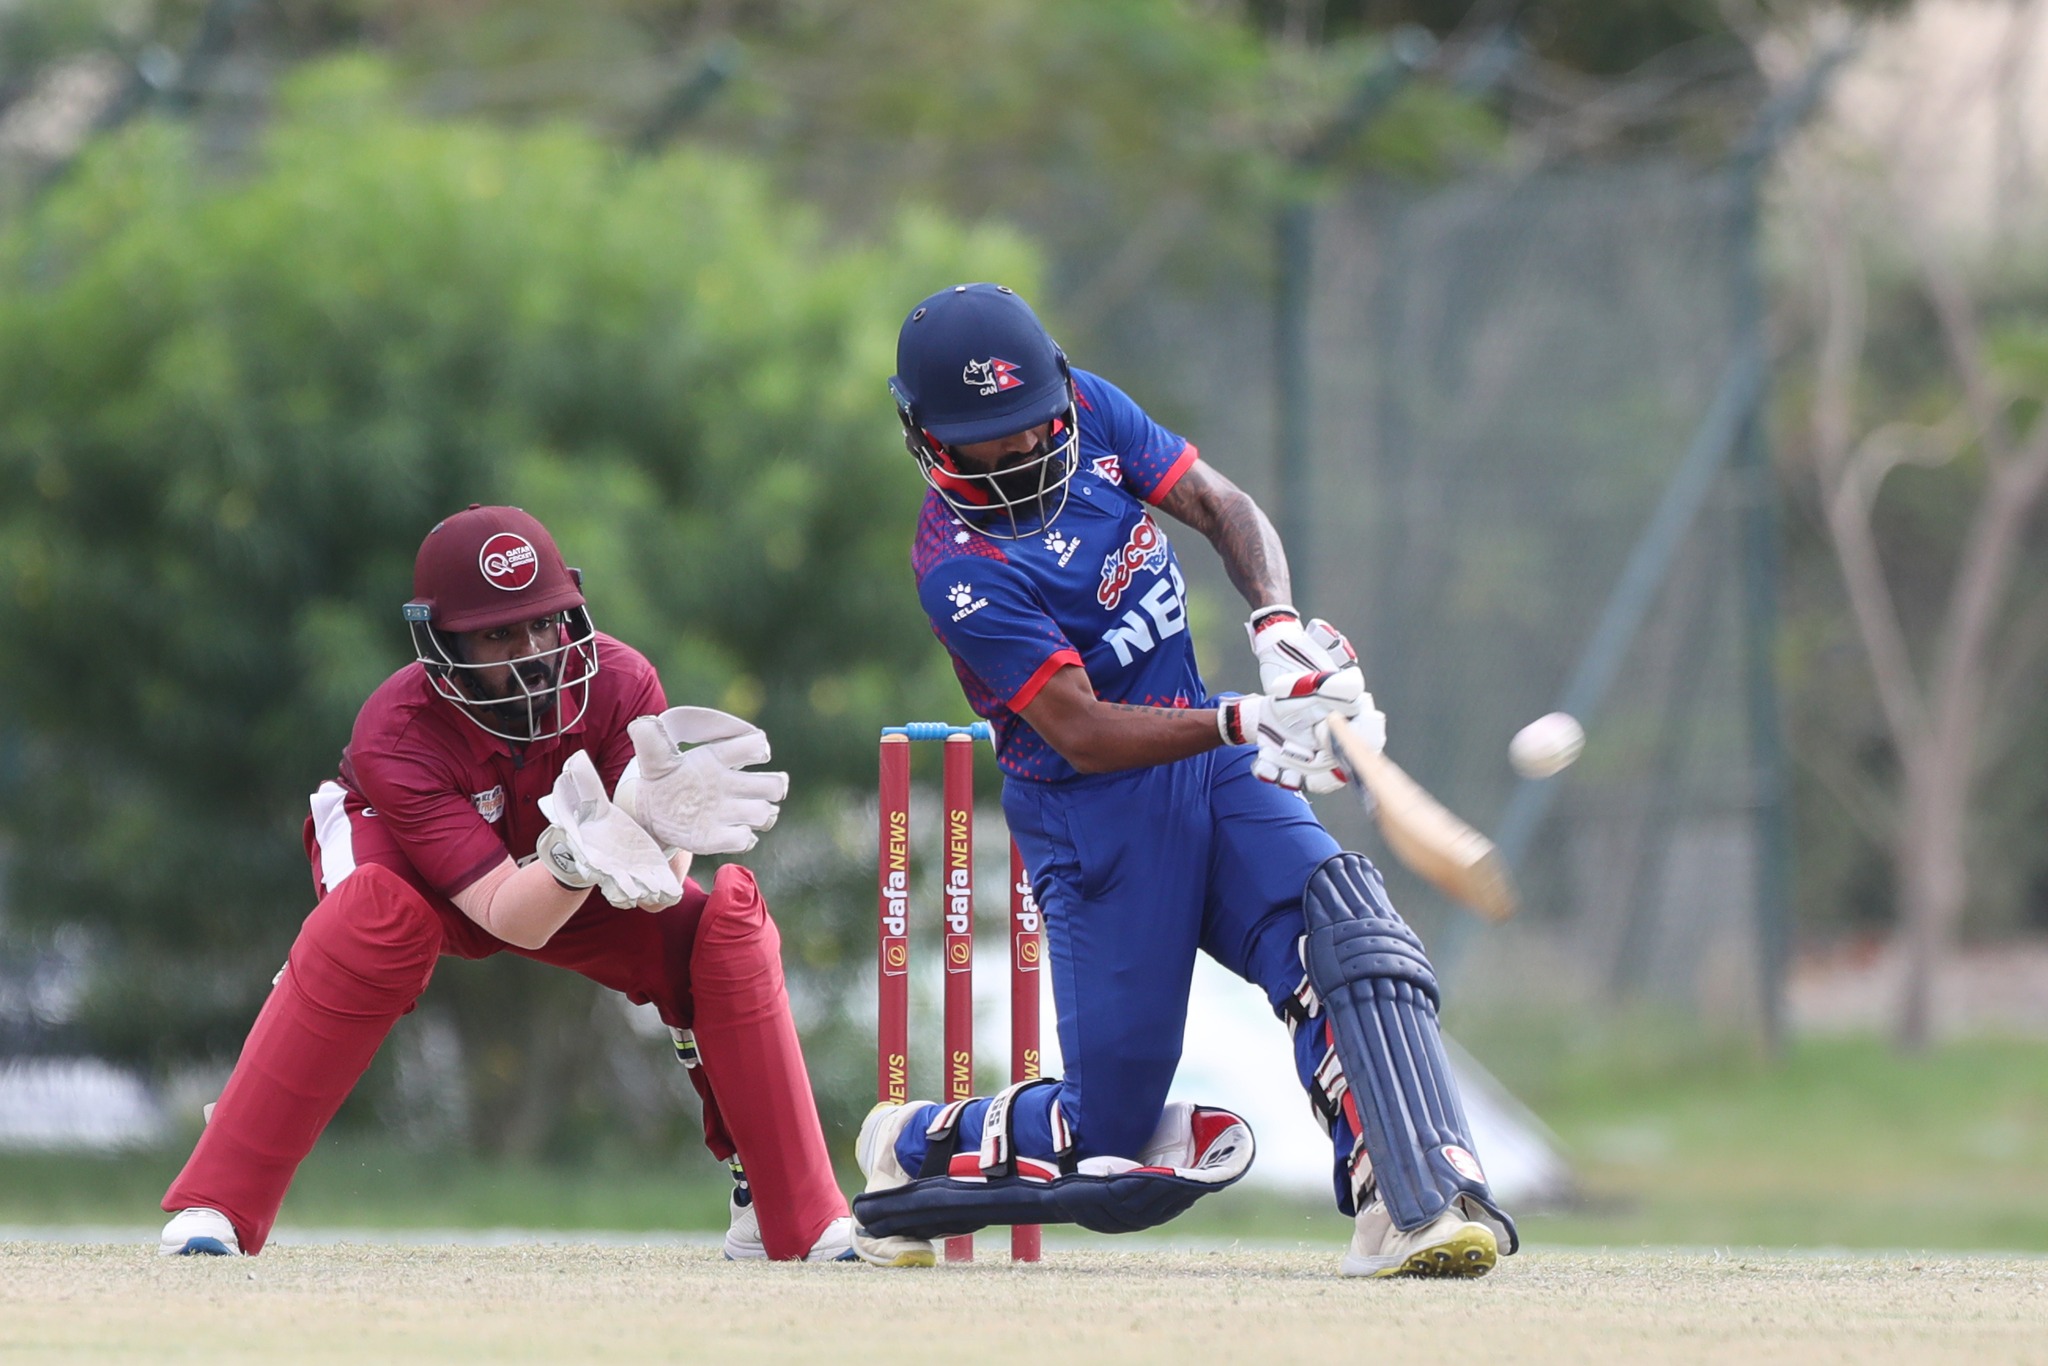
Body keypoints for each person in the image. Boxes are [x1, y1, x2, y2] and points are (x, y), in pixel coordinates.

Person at [850, 284, 1518, 1278]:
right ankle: (911, 1144)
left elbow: (1221, 504)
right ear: (925, 436)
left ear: (1059, 391)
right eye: (982, 442)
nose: (1017, 452)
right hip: (1094, 819)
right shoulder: (959, 568)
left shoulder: (1093, 410)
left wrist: (1276, 626)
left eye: (1030, 424)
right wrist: (1249, 719)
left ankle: (1409, 1198)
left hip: (1206, 762)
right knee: (1109, 1140)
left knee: (1342, 926)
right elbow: (1081, 732)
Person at [158, 504, 853, 1261]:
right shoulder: (397, 730)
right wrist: (578, 855)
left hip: (559, 867)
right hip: (412, 863)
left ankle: (787, 1210)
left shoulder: (621, 681)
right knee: (372, 924)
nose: (532, 655)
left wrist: (653, 826)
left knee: (715, 931)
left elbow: (658, 883)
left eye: (544, 624)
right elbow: (505, 915)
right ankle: (218, 1199)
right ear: (443, 644)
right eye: (497, 636)